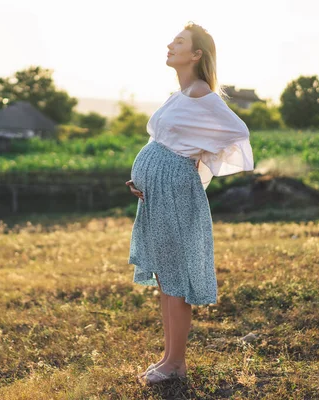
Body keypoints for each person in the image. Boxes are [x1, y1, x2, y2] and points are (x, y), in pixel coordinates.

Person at [126, 21, 254, 385]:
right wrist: (144, 177)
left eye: (179, 42)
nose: (170, 45)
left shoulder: (201, 93)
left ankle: (176, 363)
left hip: (175, 191)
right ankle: (169, 358)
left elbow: (236, 132)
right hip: (156, 192)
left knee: (175, 277)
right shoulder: (177, 95)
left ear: (196, 54)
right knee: (166, 275)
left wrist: (197, 161)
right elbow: (164, 142)